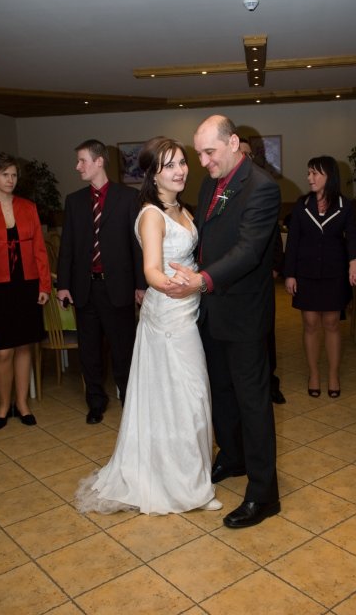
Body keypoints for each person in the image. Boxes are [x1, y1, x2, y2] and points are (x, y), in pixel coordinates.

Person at [75, 136, 221, 514]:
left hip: (189, 310)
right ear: (153, 174)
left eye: (182, 162)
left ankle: (191, 478)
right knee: (184, 400)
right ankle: (186, 487)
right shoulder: (152, 214)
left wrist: (199, 280)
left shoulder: (182, 209)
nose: (180, 170)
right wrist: (175, 286)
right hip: (170, 314)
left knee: (190, 398)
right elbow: (152, 269)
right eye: (169, 165)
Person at [166, 115, 281, 529]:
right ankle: (233, 457)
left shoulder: (262, 187)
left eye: (209, 152)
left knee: (253, 403)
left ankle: (264, 494)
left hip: (244, 312)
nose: (202, 162)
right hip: (211, 309)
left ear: (233, 143)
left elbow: (249, 251)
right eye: (198, 154)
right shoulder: (210, 183)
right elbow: (207, 239)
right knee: (222, 392)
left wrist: (202, 280)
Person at [57, 139, 146, 424]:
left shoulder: (129, 198)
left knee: (123, 349)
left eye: (82, 160)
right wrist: (63, 285)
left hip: (118, 288)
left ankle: (129, 400)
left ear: (99, 161)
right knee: (90, 351)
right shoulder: (74, 201)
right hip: (85, 289)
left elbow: (137, 246)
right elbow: (67, 246)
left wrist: (141, 285)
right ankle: (95, 401)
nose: (77, 166)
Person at [0, 152, 51, 429]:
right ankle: (4, 405)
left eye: (14, 175)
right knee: (3, 351)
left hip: (27, 285)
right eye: (5, 174)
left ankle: (22, 403)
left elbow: (40, 249)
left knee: (24, 347)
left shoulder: (28, 207)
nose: (10, 180)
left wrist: (44, 284)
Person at [284, 156, 356, 398]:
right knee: (310, 324)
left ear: (329, 176)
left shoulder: (345, 206)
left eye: (315, 173)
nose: (309, 178)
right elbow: (293, 242)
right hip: (305, 273)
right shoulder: (302, 205)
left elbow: (352, 237)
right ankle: (314, 374)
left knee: (331, 323)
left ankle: (334, 375)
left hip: (334, 274)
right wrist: (289, 274)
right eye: (309, 173)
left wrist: (354, 262)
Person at [239, 137, 286, 404]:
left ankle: (271, 383)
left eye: (248, 154)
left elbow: (274, 237)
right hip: (234, 281)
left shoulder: (262, 187)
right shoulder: (225, 191)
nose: (244, 159)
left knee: (265, 334)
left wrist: (275, 267)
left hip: (261, 279)